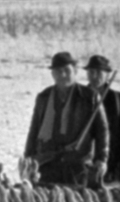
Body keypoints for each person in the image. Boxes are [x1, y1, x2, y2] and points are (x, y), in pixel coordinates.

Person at [22, 51, 109, 187]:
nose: (62, 75)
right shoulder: (43, 97)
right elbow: (34, 130)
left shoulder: (90, 97)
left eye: (66, 70)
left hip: (77, 165)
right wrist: (28, 158)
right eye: (57, 71)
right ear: (52, 74)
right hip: (46, 163)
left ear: (75, 71)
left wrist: (101, 159)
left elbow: (102, 131)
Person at [85, 54, 120, 183]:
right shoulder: (78, 97)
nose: (94, 76)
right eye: (91, 72)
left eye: (99, 72)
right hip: (81, 168)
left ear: (107, 75)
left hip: (110, 169)